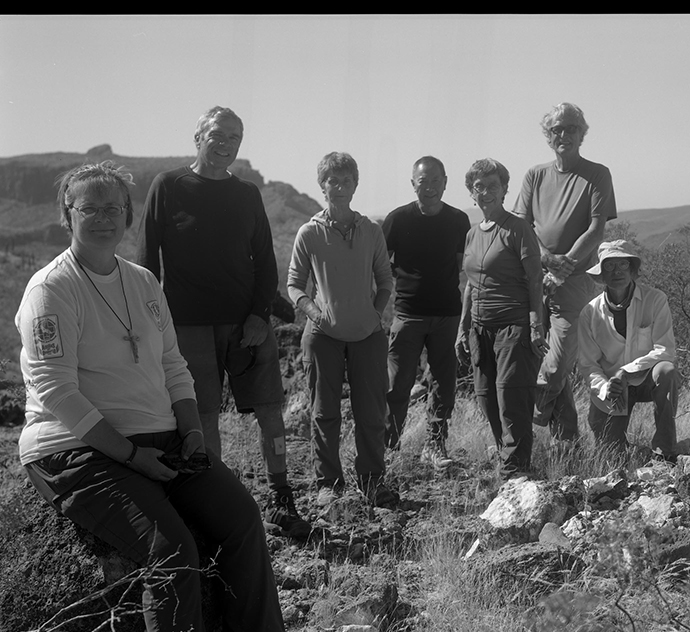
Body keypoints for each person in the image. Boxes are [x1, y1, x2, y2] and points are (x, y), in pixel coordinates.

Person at [16, 162, 301, 632]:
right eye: (87, 208)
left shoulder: (143, 281)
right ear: (66, 215)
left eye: (113, 208)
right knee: (170, 552)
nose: (102, 218)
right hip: (76, 448)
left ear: (127, 213)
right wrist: (128, 454)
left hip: (163, 437)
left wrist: (194, 430)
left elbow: (174, 364)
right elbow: (54, 389)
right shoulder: (51, 289)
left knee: (243, 520)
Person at [135, 106, 303, 536]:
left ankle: (281, 495)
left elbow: (265, 260)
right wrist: (154, 322)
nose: (227, 143)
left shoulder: (247, 194)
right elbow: (146, 261)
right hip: (186, 326)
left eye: (236, 137)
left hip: (245, 324)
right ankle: (218, 505)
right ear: (198, 136)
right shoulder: (168, 186)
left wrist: (260, 316)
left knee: (269, 409)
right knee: (202, 416)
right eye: (219, 134)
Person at [287, 152, 399, 508]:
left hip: (368, 335)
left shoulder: (371, 231)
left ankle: (371, 481)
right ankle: (328, 485)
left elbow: (385, 280)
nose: (339, 187)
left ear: (355, 184)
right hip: (323, 336)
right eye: (332, 181)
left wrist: (374, 313)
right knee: (324, 413)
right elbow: (294, 285)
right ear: (322, 186)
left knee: (371, 411)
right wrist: (313, 314)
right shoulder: (310, 233)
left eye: (345, 180)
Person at [513, 102, 617, 444]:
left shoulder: (597, 174)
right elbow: (522, 226)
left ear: (581, 134)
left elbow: (596, 228)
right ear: (548, 135)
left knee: (557, 365)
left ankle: (519, 418)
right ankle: (566, 439)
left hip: (576, 282)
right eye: (557, 129)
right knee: (537, 358)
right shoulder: (535, 176)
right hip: (533, 279)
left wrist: (566, 263)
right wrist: (545, 260)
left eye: (571, 128)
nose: (564, 135)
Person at [456, 159, 547, 479]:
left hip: (514, 325)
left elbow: (535, 279)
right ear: (471, 192)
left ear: (505, 189)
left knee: (511, 395)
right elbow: (470, 284)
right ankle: (505, 454)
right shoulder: (471, 235)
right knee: (485, 397)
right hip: (480, 327)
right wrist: (462, 328)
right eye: (479, 187)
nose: (486, 192)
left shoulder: (518, 228)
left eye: (493, 186)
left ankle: (515, 470)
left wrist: (536, 325)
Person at [381, 156, 471, 468]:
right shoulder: (398, 219)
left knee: (443, 383)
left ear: (445, 182)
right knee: (398, 383)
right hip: (408, 313)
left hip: (447, 313)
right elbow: (380, 263)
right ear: (413, 184)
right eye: (423, 182)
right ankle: (388, 448)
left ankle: (435, 444)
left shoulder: (459, 221)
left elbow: (463, 264)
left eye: (435, 181)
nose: (429, 187)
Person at [578, 240, 681, 461]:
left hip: (646, 379)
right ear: (601, 274)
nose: (617, 272)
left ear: (632, 269)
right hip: (613, 389)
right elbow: (588, 364)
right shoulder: (590, 313)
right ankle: (631, 452)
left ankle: (665, 452)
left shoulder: (655, 299)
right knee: (612, 458)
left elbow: (665, 350)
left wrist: (626, 372)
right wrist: (606, 387)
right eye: (609, 266)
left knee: (666, 371)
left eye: (623, 265)